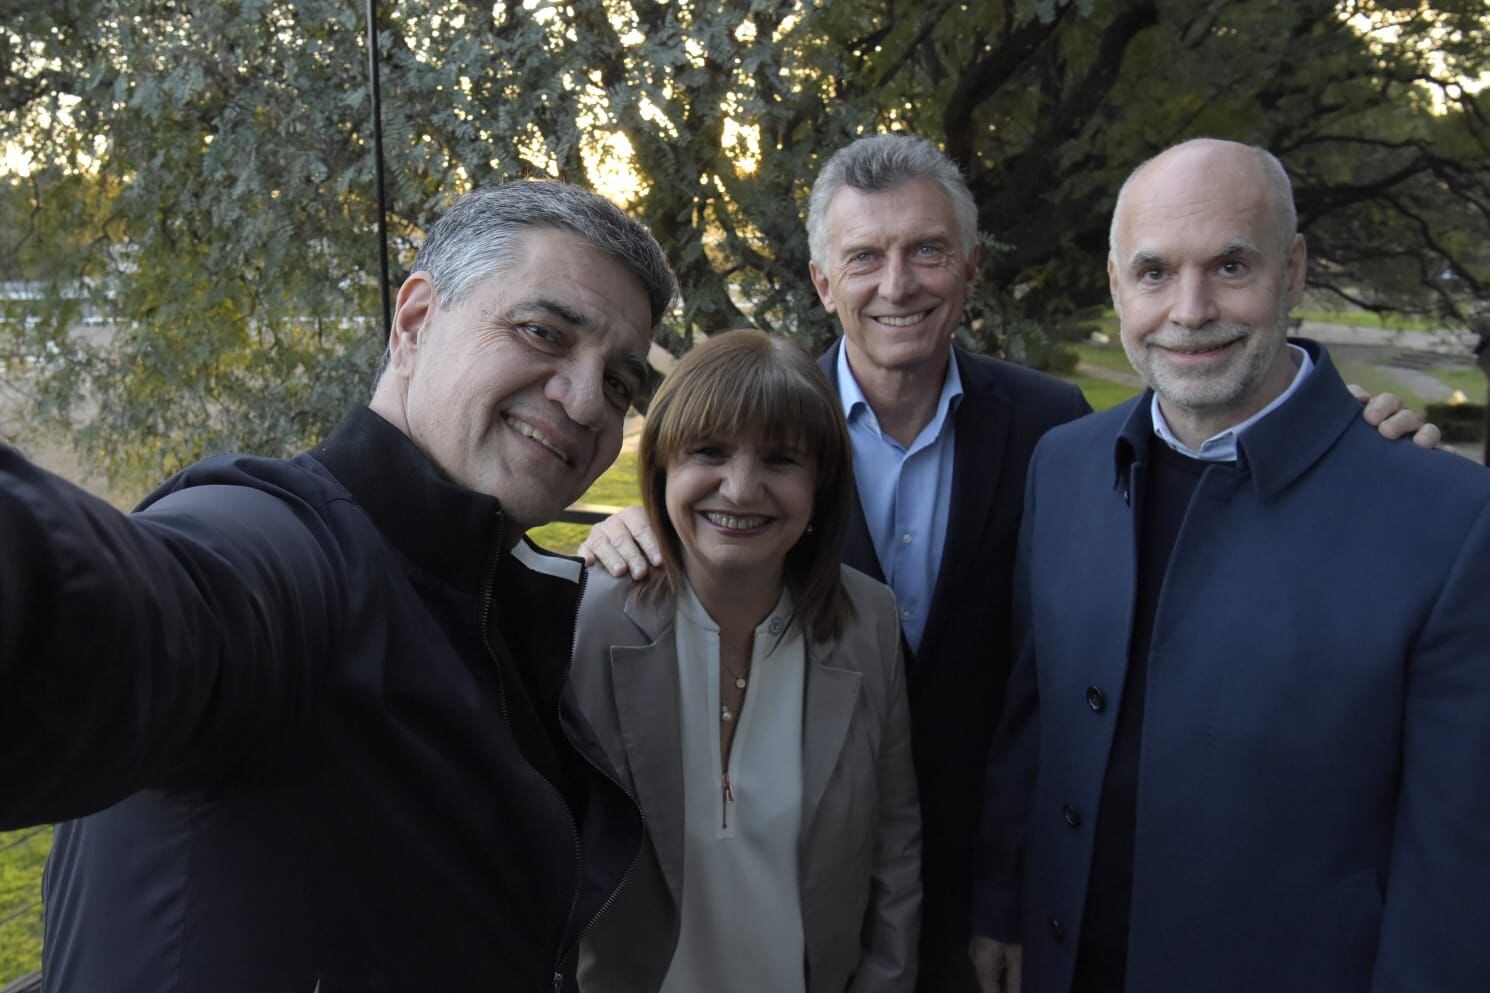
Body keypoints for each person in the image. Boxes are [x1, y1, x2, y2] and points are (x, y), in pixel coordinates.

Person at [577, 133, 1436, 993]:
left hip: (992, 889)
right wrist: (645, 527)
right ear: (824, 282)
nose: (898, 283)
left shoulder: (1055, 429)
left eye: (928, 251)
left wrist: (1340, 431)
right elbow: (707, 496)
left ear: (971, 268)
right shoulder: (774, 431)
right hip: (803, 877)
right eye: (865, 256)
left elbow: (1070, 658)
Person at [0, 181, 675, 992]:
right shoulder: (286, 547)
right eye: (543, 333)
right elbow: (127, 613)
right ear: (414, 322)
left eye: (619, 383)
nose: (586, 401)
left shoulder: (493, 606)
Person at [970, 138, 1490, 993]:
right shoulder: (1063, 465)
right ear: (1116, 286)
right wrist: (1003, 900)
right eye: (1154, 272)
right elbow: (1036, 717)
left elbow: (1456, 873)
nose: (1191, 309)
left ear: (1293, 272)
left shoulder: (1449, 519)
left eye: (1231, 266)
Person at [569, 329, 921, 993]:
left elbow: (894, 845)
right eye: (709, 451)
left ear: (820, 486)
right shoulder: (588, 619)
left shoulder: (868, 621)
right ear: (663, 463)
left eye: (781, 460)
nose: (739, 488)